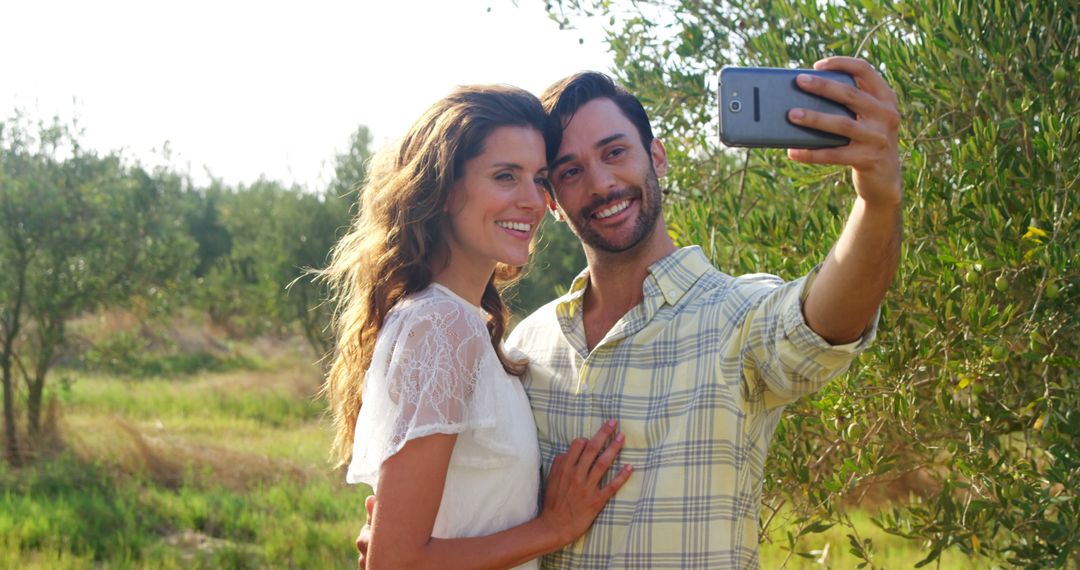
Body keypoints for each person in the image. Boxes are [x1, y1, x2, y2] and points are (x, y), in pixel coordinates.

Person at [358, 56, 901, 569]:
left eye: (615, 152)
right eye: (568, 172)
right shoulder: (529, 347)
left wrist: (876, 201)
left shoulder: (738, 317)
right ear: (554, 201)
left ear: (656, 157)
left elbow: (824, 321)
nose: (600, 184)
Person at [324, 85, 633, 570]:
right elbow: (396, 563)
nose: (533, 201)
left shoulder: (464, 324)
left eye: (540, 179)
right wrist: (552, 528)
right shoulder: (442, 326)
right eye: (505, 176)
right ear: (445, 190)